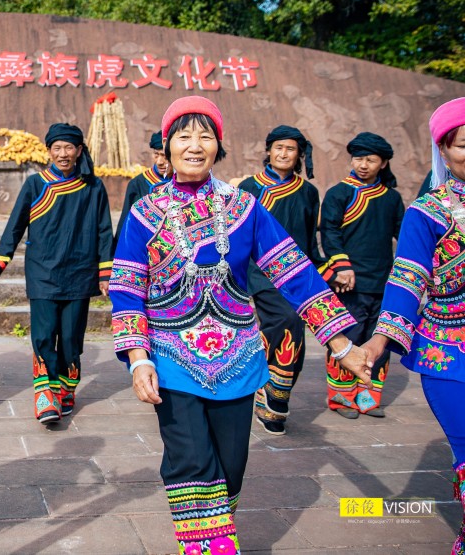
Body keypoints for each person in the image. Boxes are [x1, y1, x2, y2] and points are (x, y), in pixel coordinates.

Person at [110, 96, 371, 555]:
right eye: (184, 136)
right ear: (167, 147)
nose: (195, 145)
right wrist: (137, 359)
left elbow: (293, 269)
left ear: (219, 146)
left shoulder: (244, 207)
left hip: (236, 355)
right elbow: (128, 286)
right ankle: (209, 547)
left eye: (205, 135)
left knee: (231, 466)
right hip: (169, 356)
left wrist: (341, 342)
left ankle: (212, 530)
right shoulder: (144, 212)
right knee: (190, 458)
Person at [365, 97, 465, 554]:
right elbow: (408, 277)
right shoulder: (429, 212)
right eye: (463, 145)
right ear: (443, 153)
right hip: (449, 351)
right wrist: (380, 340)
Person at [0, 123, 113, 424]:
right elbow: (15, 225)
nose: (63, 153)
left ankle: (66, 388)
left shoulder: (93, 186)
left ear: (79, 151)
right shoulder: (35, 184)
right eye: (56, 148)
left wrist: (105, 272)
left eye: (68, 147)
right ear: (49, 152)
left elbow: (103, 230)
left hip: (80, 273)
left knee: (71, 338)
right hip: (43, 272)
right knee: (44, 335)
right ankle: (46, 396)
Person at [237, 126, 321, 435]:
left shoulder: (308, 192)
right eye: (278, 147)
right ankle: (271, 397)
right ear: (268, 151)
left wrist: (319, 271)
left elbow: (310, 236)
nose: (284, 153)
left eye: (291, 149)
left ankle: (272, 393)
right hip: (259, 271)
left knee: (294, 331)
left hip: (298, 273)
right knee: (286, 320)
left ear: (300, 155)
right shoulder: (249, 186)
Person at [319, 132, 404, 418]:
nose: (363, 164)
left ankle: (368, 396)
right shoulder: (339, 193)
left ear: (383, 163)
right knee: (349, 338)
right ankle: (341, 398)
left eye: (370, 159)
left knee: (378, 340)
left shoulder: (392, 198)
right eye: (358, 158)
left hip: (384, 281)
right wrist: (341, 266)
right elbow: (329, 231)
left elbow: (402, 235)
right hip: (349, 282)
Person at [114, 131, 170, 251]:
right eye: (156, 154)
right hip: (143, 250)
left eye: (165, 156)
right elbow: (126, 224)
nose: (160, 161)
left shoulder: (184, 184)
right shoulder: (138, 183)